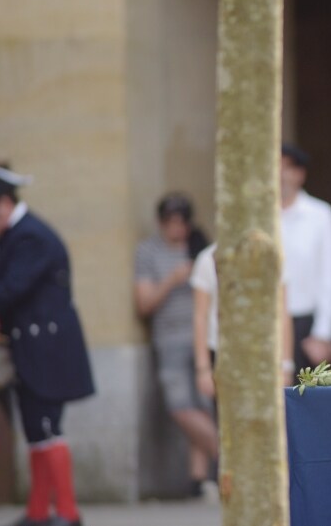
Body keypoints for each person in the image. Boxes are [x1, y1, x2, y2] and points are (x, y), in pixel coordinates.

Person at [0, 165, 95, 526]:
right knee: (36, 430)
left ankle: (68, 513)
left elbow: (13, 288)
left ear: (4, 203)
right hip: (33, 348)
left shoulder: (30, 237)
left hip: (47, 349)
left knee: (48, 428)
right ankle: (39, 512)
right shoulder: (19, 235)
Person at [133, 193, 218, 498]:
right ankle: (228, 456)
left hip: (206, 338)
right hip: (169, 338)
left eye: (182, 222)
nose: (177, 228)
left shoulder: (202, 248)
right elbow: (143, 303)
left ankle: (199, 480)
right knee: (180, 407)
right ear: (160, 223)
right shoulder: (148, 252)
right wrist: (172, 279)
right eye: (170, 222)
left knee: (205, 406)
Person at [190, 242, 295, 399]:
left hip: (264, 353)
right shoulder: (207, 259)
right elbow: (200, 316)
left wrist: (285, 364)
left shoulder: (272, 257)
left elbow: (282, 313)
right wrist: (203, 369)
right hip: (222, 354)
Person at [279, 143, 331, 372]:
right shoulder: (259, 218)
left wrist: (323, 333)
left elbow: (329, 276)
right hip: (266, 321)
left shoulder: (320, 215)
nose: (280, 174)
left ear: (300, 174)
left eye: (287, 167)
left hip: (304, 322)